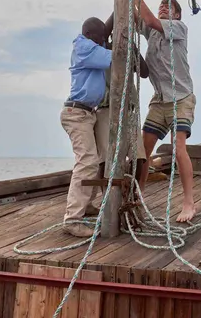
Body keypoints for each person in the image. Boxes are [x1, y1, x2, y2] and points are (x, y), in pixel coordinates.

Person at [134, 0, 197, 222]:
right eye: (161, 5)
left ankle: (189, 203)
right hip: (160, 99)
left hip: (181, 97)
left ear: (177, 14)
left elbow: (149, 19)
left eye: (168, 6)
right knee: (143, 150)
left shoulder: (179, 28)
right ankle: (137, 196)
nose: (163, 7)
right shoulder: (151, 33)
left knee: (178, 148)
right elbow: (136, 17)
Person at [87, 13, 150, 214]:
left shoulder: (126, 49)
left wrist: (131, 47)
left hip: (129, 110)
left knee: (139, 157)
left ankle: (130, 196)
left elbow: (145, 72)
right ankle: (108, 203)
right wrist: (122, 8)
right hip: (105, 109)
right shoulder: (100, 49)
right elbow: (104, 30)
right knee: (105, 160)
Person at [60, 17, 112, 238]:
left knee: (94, 158)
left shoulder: (89, 44)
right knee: (87, 161)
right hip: (77, 113)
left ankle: (87, 205)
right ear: (92, 35)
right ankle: (72, 219)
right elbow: (114, 57)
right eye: (101, 38)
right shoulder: (84, 47)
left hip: (86, 113)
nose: (104, 41)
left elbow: (105, 32)